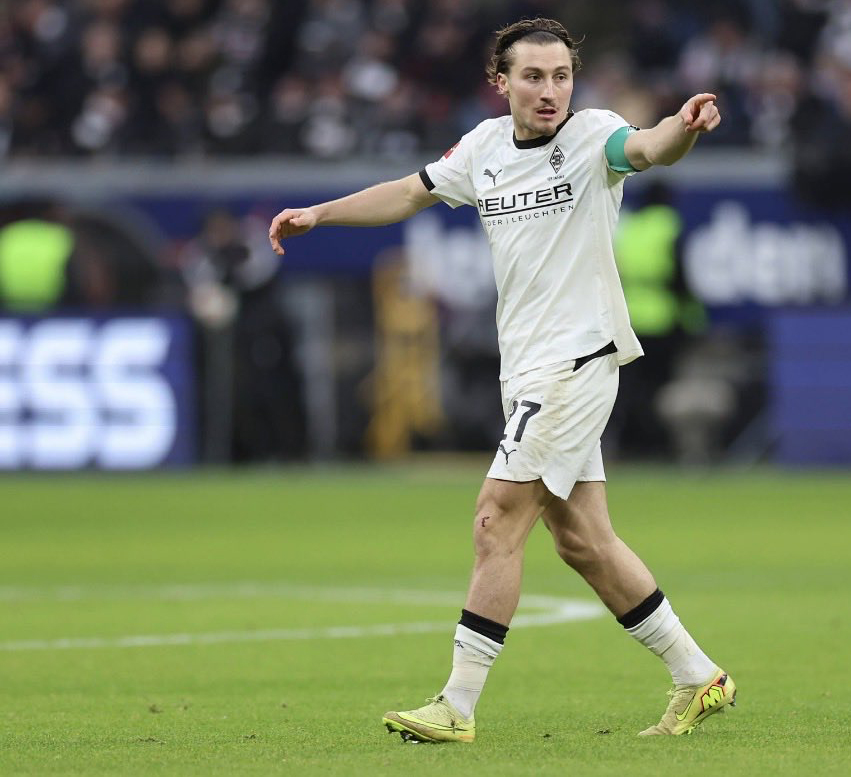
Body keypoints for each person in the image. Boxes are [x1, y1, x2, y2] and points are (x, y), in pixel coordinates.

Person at [268, 17, 734, 743]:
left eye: (561, 77)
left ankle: (456, 704)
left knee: (495, 520)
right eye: (533, 76)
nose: (550, 91)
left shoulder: (594, 138)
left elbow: (649, 147)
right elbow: (409, 192)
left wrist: (685, 126)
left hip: (574, 361)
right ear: (501, 82)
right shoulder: (483, 148)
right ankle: (698, 674)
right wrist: (320, 214)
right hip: (526, 367)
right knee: (583, 541)